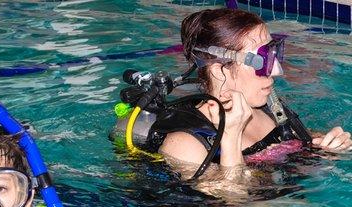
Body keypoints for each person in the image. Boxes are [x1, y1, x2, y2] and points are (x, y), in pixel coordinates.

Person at [142, 8, 352, 179]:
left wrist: (325, 145)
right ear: (219, 70)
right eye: (262, 60)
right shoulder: (185, 144)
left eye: (273, 53)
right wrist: (231, 136)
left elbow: (294, 145)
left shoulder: (271, 107)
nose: (277, 70)